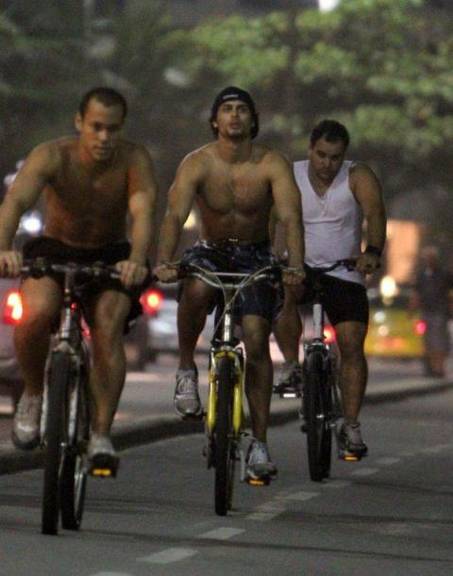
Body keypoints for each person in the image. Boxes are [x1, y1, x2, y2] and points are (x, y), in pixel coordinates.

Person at [0, 87, 158, 472]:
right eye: (96, 127)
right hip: (56, 248)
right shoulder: (52, 155)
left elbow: (142, 212)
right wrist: (4, 247)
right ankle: (34, 395)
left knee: (107, 327)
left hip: (111, 256)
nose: (104, 138)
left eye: (113, 129)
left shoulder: (133, 159)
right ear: (79, 123)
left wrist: (137, 260)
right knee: (35, 314)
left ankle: (101, 434)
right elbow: (16, 202)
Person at [153, 86, 304, 480]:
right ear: (215, 121)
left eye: (242, 110)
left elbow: (290, 217)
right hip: (210, 250)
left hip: (255, 253)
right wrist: (165, 262)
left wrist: (295, 266)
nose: (234, 116)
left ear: (253, 120)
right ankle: (186, 370)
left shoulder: (272, 163)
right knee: (198, 287)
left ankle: (259, 442)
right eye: (227, 110)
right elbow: (173, 215)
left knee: (255, 337)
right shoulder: (197, 163)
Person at [273, 119, 386, 459]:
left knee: (351, 344)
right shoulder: (289, 174)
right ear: (310, 150)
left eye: (335, 157)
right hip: (300, 268)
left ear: (344, 156)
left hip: (344, 272)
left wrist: (372, 253)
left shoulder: (358, 176)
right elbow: (270, 215)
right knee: (283, 295)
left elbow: (376, 213)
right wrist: (270, 255)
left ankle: (351, 424)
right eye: (321, 155)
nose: (327, 164)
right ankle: (292, 364)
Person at [412, 245, 452, 378]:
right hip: (426, 312)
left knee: (439, 341)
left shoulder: (444, 275)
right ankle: (431, 367)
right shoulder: (422, 276)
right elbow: (417, 293)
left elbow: (450, 293)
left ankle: (439, 368)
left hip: (440, 312)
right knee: (428, 341)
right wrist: (412, 308)